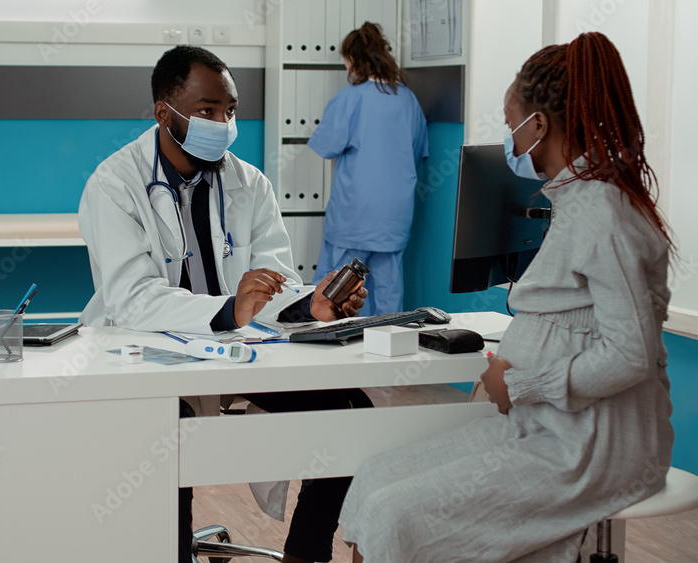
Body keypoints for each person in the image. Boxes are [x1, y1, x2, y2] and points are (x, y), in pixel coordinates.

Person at [338, 32, 674, 562]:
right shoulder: (577, 200)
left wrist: (519, 381)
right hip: (542, 424)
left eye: (512, 124)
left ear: (538, 125)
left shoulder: (602, 213)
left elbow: (629, 355)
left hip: (590, 447)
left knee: (395, 511)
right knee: (375, 478)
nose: (511, 144)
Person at [78, 45, 372, 563]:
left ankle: (307, 553)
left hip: (237, 353)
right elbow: (131, 299)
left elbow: (274, 282)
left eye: (230, 110)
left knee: (349, 411)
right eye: (207, 110)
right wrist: (226, 310)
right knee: (167, 441)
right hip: (147, 357)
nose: (223, 122)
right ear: (163, 112)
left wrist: (311, 307)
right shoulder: (115, 184)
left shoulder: (248, 182)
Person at [307, 22, 428, 316]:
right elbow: (416, 151)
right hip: (394, 215)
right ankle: (385, 347)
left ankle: (333, 350)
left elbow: (326, 146)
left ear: (353, 60)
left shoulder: (350, 98)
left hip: (355, 214)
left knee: (336, 289)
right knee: (388, 291)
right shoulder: (408, 99)